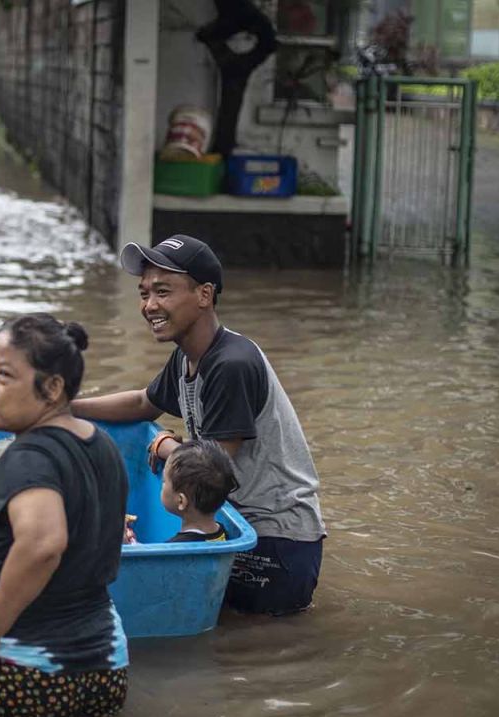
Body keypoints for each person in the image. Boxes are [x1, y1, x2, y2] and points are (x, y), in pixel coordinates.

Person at [71, 234, 326, 615]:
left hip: (275, 538)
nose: (149, 305)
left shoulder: (231, 364)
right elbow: (144, 403)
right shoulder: (188, 356)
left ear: (204, 295)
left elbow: (211, 469)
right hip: (237, 524)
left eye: (162, 291)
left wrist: (167, 447)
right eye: (144, 294)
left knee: (257, 650)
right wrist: (68, 407)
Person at [0, 314, 129, 717]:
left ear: (53, 388)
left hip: (15, 669)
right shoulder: (100, 444)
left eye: (5, 375)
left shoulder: (31, 458)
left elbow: (44, 544)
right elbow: (75, 538)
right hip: (102, 664)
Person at [162, 439, 238, 543]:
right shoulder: (222, 533)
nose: (162, 485)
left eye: (164, 481)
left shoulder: (175, 549)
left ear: (181, 501)